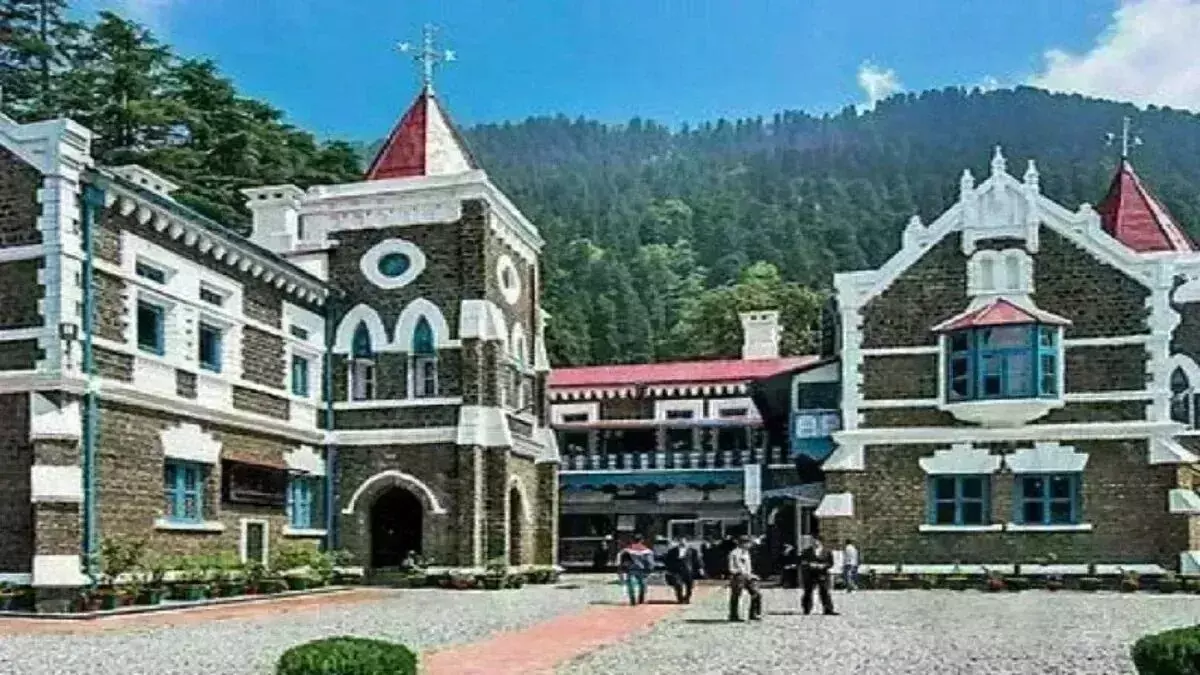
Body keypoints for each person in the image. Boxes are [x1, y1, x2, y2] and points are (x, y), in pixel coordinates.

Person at [799, 537, 838, 615]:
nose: (815, 543)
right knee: (808, 591)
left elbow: (830, 563)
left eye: (817, 541)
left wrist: (823, 565)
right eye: (813, 542)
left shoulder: (827, 551)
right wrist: (809, 564)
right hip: (810, 573)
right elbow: (802, 561)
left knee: (824, 591)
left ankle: (828, 609)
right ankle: (806, 608)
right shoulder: (807, 551)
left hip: (822, 573)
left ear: (820, 542)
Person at [727, 535, 762, 622]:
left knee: (756, 593)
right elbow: (731, 568)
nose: (749, 545)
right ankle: (733, 615)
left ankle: (753, 613)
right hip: (737, 577)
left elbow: (748, 567)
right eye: (748, 543)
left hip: (748, 577)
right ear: (742, 544)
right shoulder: (734, 553)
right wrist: (739, 572)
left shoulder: (746, 553)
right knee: (736, 596)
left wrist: (751, 575)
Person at [617, 534, 656, 606]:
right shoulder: (647, 551)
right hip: (642, 570)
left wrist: (621, 569)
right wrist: (650, 570)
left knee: (630, 585)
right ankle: (641, 599)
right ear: (642, 540)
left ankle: (633, 600)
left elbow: (621, 561)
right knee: (642, 585)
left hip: (631, 570)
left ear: (632, 540)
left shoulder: (626, 550)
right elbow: (650, 562)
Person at [663, 536, 704, 604]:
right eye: (681, 541)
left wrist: (700, 568)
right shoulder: (672, 551)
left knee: (689, 586)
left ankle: (687, 598)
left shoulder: (692, 551)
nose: (682, 542)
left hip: (688, 571)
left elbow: (697, 560)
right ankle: (680, 598)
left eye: (684, 541)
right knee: (678, 584)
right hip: (677, 571)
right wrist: (668, 569)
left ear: (687, 542)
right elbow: (667, 561)